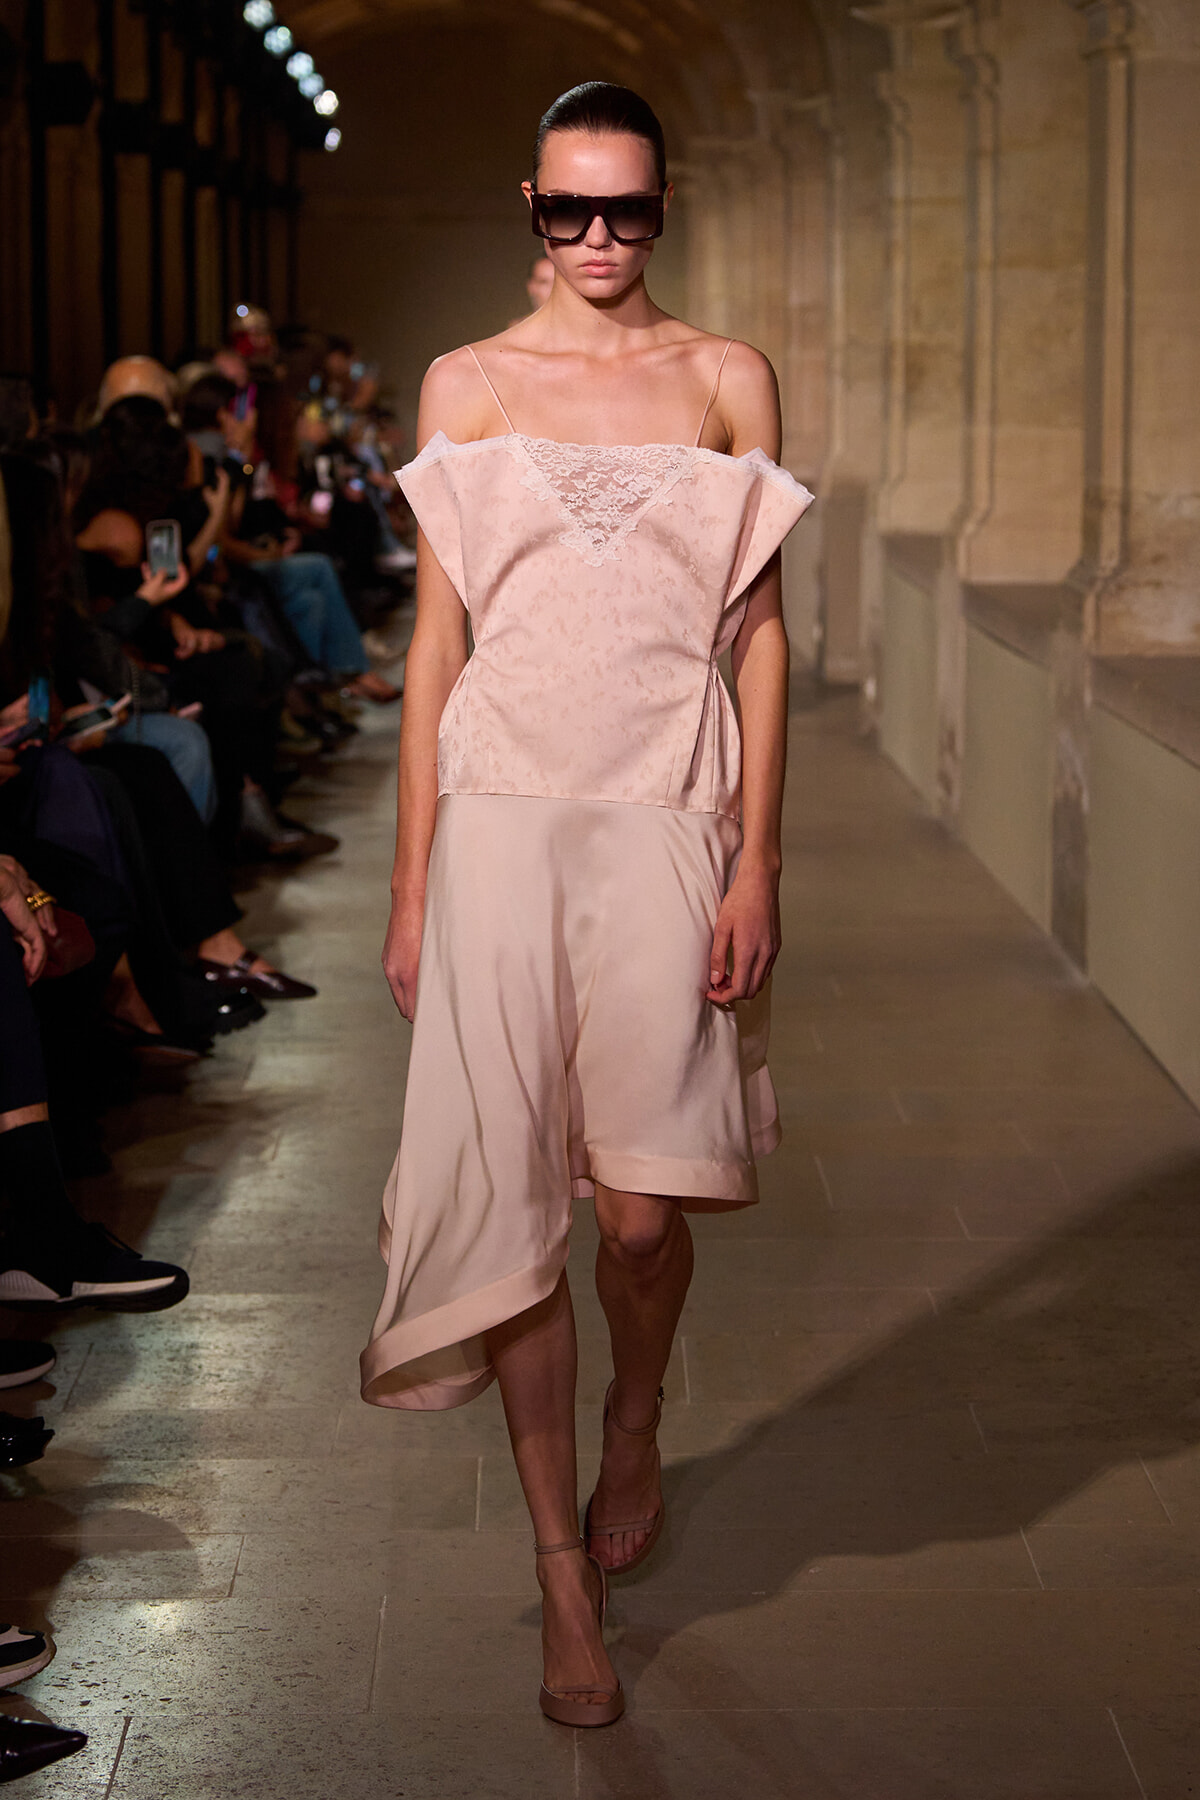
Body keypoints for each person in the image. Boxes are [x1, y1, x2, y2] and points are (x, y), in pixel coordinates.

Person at [361, 82, 813, 1727]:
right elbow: (437, 652)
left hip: (669, 819)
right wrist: (413, 886)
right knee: (514, 1213)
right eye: (572, 209)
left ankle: (639, 1411)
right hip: (499, 826)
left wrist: (760, 857)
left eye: (629, 209)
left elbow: (761, 634)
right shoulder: (467, 384)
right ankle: (562, 1576)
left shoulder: (726, 376)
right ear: (533, 207)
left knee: (639, 1212)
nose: (601, 237)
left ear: (662, 209)